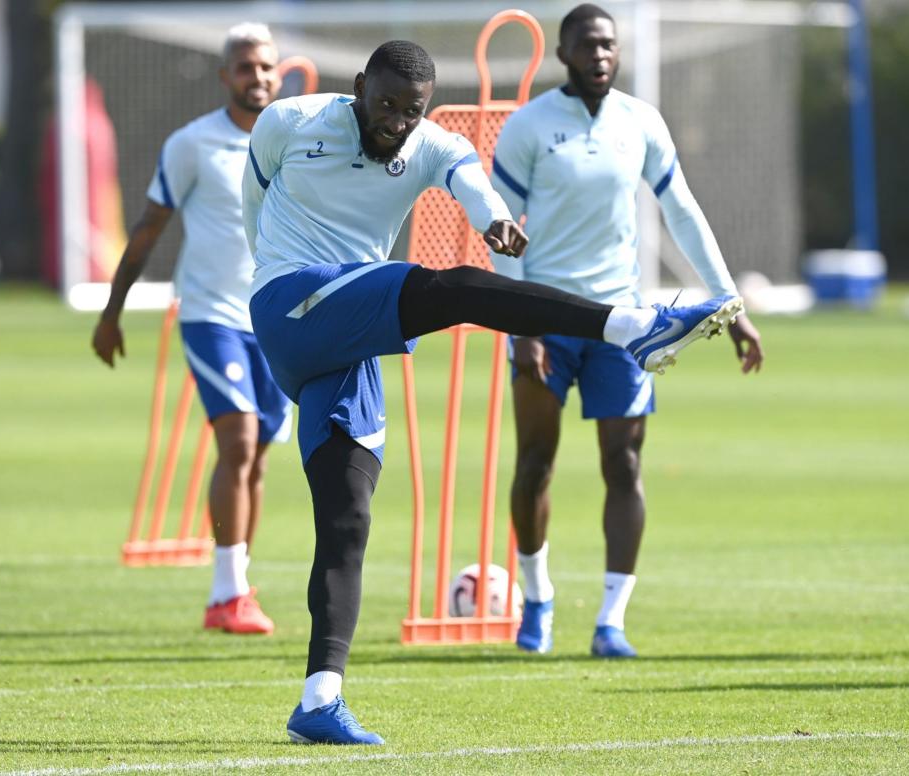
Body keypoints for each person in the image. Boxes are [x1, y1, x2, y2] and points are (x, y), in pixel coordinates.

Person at [242, 39, 745, 745]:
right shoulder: (291, 121)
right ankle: (632, 328)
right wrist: (262, 282)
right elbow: (253, 200)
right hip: (288, 299)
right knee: (455, 289)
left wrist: (492, 219)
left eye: (410, 110)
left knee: (348, 515)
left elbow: (468, 178)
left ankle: (319, 699)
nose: (395, 121)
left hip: (345, 338)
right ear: (359, 85)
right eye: (384, 103)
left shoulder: (430, 141)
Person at [489, 4, 764, 660]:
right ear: (563, 54)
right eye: (588, 45)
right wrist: (517, 322)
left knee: (626, 464)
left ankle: (612, 620)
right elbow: (499, 226)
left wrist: (729, 307)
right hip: (546, 321)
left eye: (609, 44)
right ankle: (538, 599)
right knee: (535, 464)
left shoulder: (642, 122)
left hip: (623, 325)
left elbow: (683, 212)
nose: (601, 54)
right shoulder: (529, 126)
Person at [92, 24, 290, 636]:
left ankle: (237, 583)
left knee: (256, 459)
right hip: (211, 316)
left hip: (279, 320)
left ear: (277, 74)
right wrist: (111, 312)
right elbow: (148, 230)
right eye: (244, 67)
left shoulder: (298, 142)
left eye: (265, 67)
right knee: (237, 442)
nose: (256, 77)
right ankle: (226, 594)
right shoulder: (193, 144)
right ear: (224, 75)